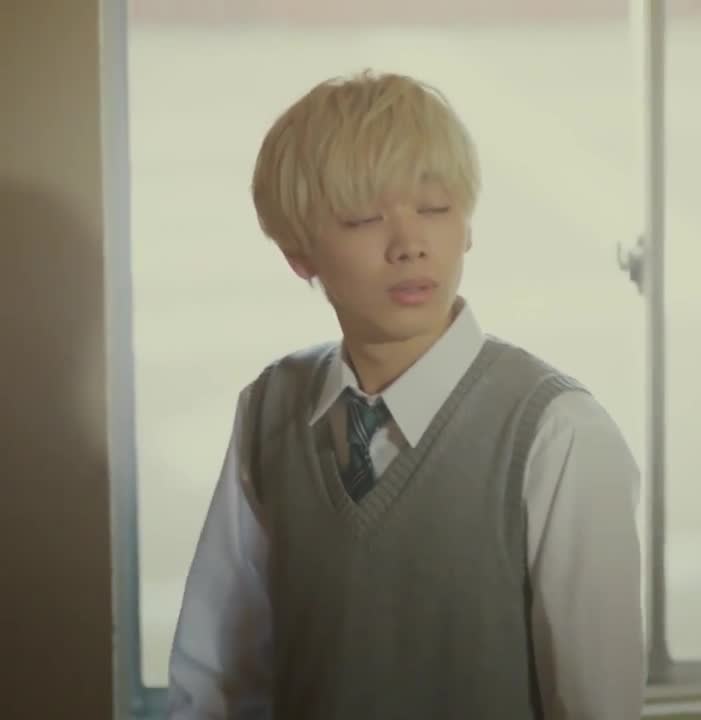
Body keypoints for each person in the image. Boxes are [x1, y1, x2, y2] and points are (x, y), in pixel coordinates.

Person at [166, 69, 646, 719]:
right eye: (364, 218)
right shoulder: (270, 411)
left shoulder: (557, 434)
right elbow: (217, 678)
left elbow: (596, 705)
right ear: (299, 255)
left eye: (436, 208)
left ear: (467, 226)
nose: (410, 245)